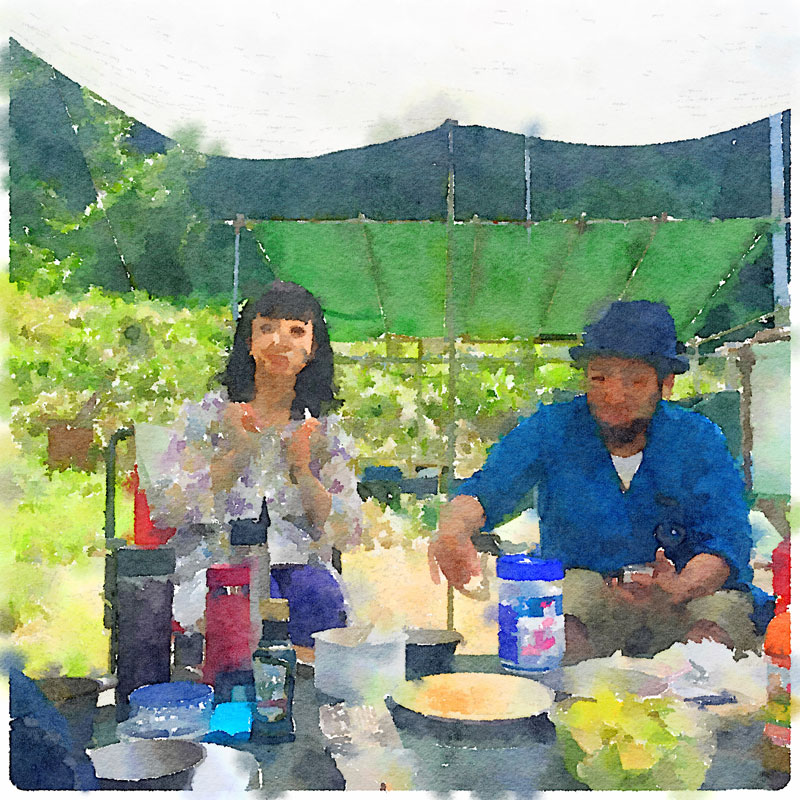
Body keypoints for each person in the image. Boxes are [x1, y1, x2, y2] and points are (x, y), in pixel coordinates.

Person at [428, 300, 762, 658]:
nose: (613, 396)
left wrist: (679, 587)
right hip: (590, 595)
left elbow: (727, 539)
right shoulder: (552, 428)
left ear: (665, 383)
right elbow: (487, 489)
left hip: (686, 595)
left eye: (634, 381)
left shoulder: (698, 438)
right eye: (599, 378)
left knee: (713, 634)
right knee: (559, 626)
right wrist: (453, 530)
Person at [142, 281, 362, 649]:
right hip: (215, 562)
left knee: (319, 599)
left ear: (313, 348)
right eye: (267, 328)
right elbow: (168, 509)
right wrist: (235, 454)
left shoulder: (323, 429)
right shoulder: (207, 415)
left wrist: (302, 471)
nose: (280, 341)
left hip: (299, 566)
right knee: (238, 607)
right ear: (248, 340)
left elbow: (348, 529)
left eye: (296, 331)